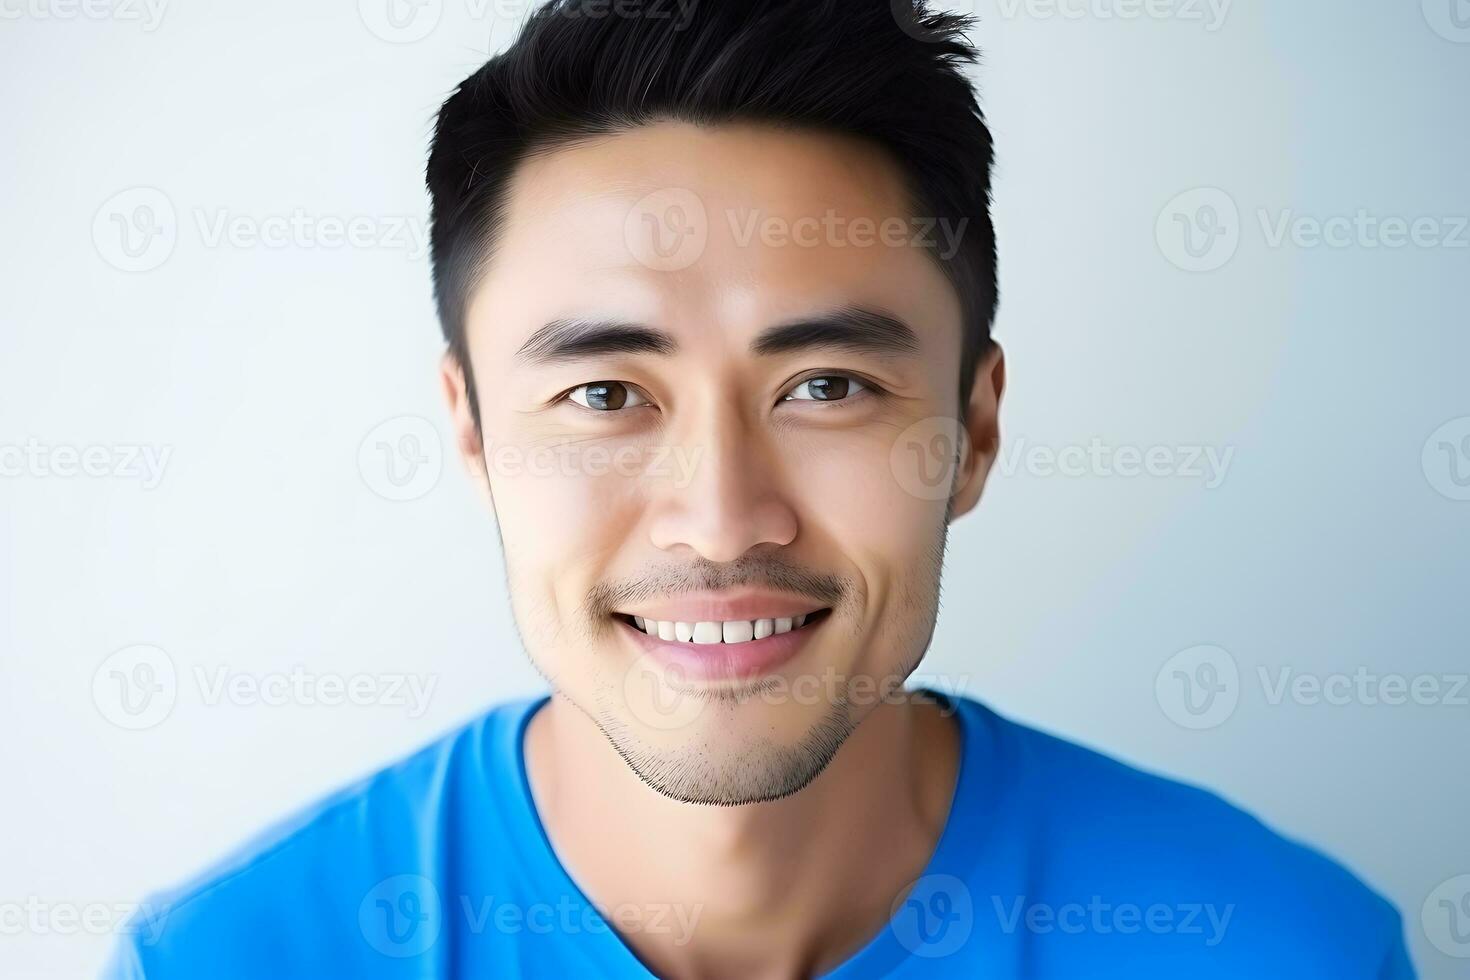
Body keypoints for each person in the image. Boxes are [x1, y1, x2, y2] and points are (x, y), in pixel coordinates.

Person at [105, 1, 1413, 976]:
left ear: (973, 425)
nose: (723, 517)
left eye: (827, 387)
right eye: (606, 395)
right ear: (473, 433)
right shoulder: (233, 957)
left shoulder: (1282, 947)